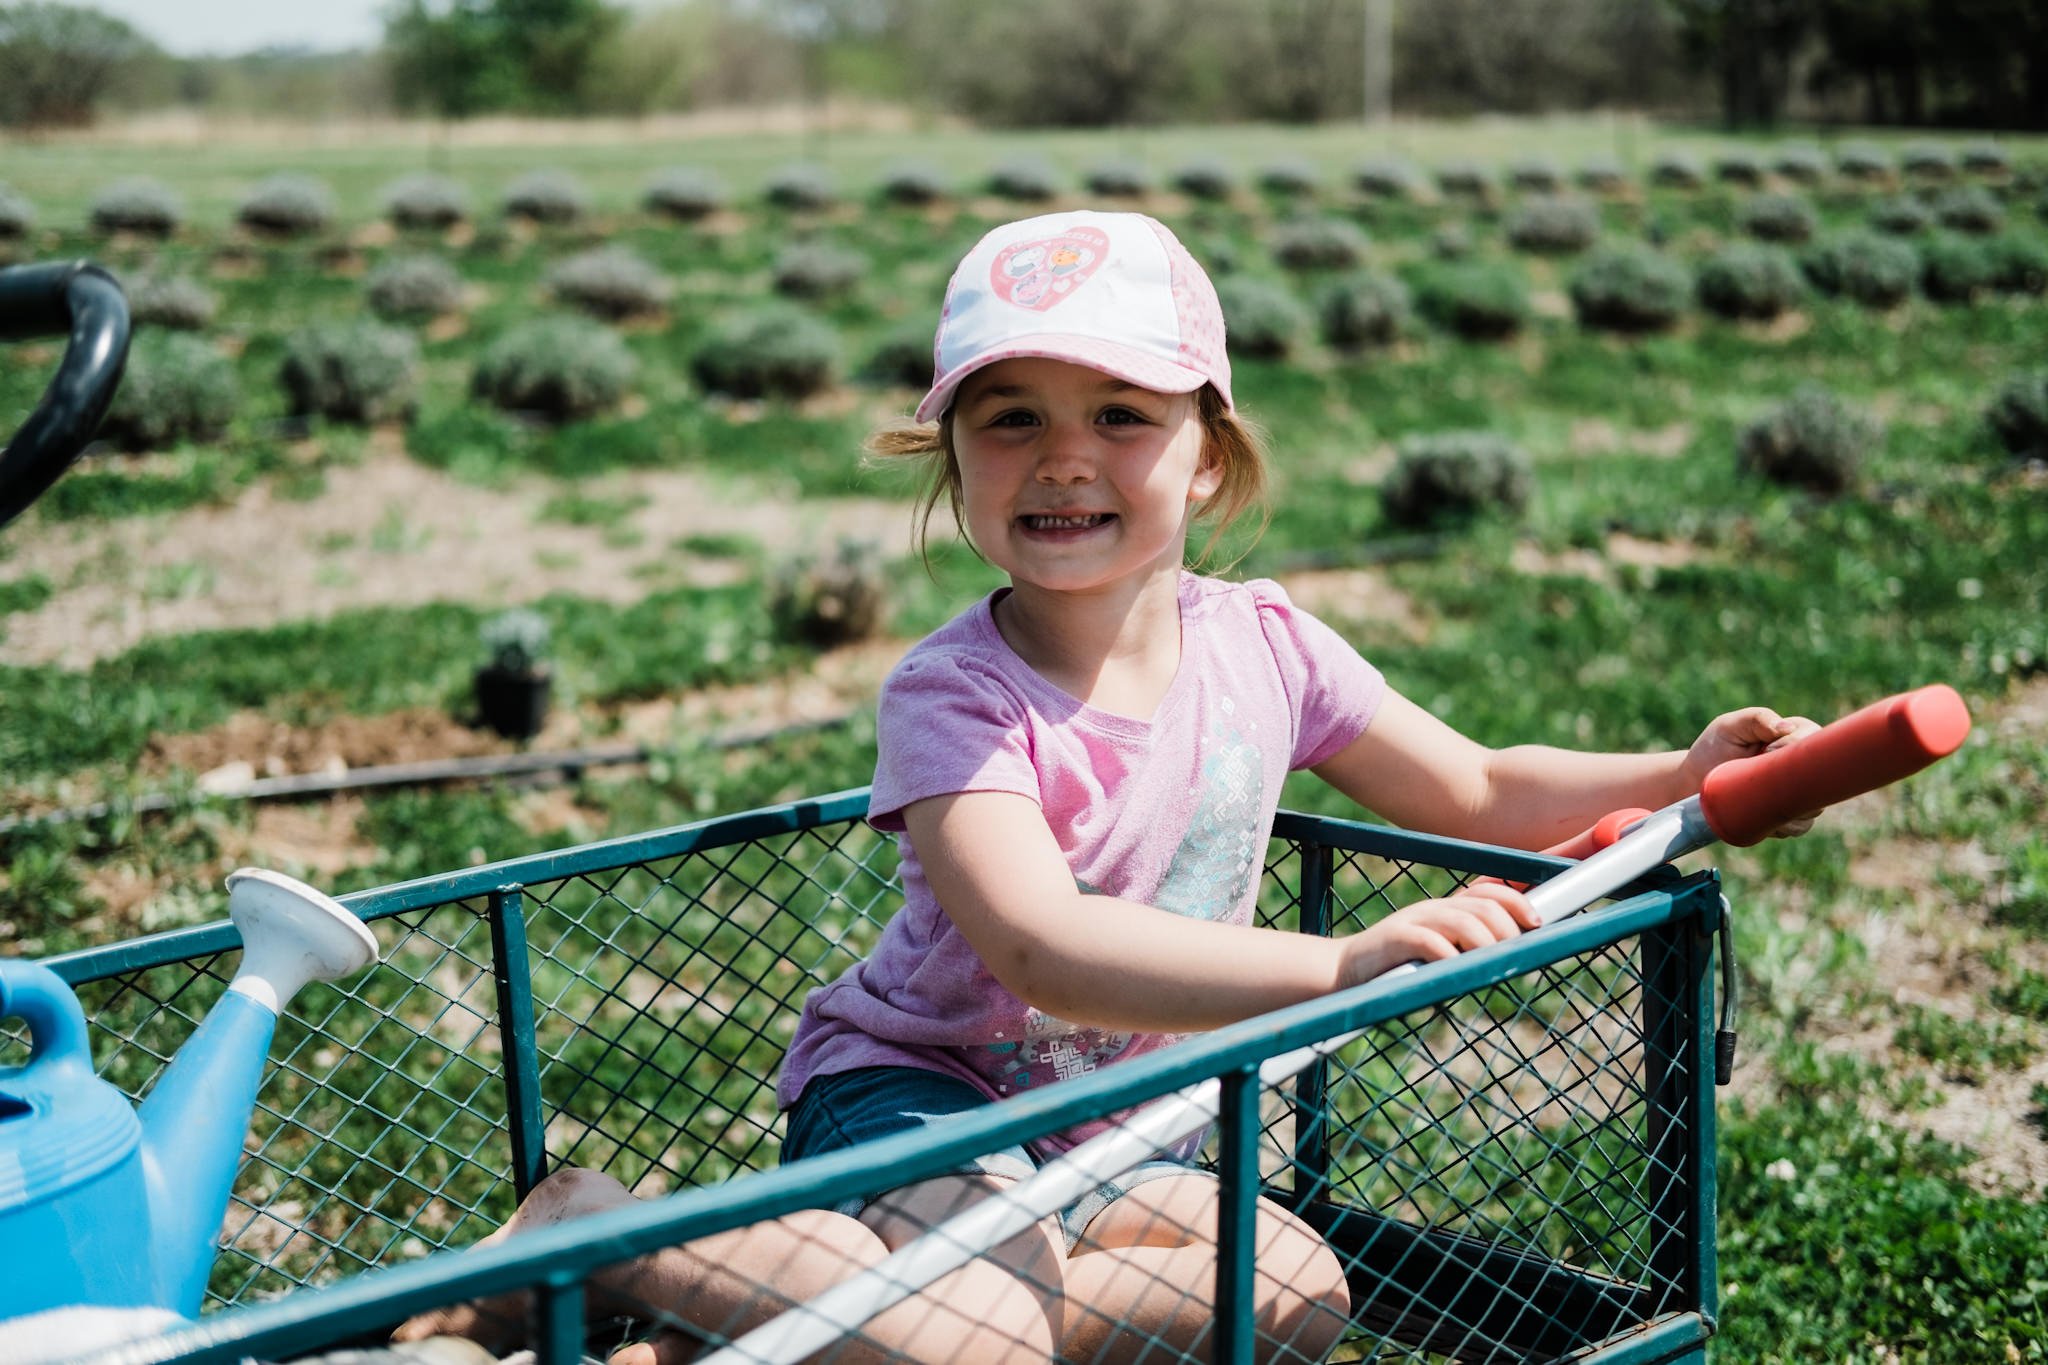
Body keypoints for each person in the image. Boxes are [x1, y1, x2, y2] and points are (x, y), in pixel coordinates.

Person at [398, 209, 1817, 1365]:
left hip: (1119, 1136)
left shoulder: (1266, 644)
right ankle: (597, 1230)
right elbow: (1043, 947)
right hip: (923, 1097)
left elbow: (1484, 782)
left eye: (1122, 414)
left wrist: (1679, 771)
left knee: (1297, 1292)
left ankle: (738, 1331)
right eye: (1009, 416)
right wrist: (1335, 962)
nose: (1065, 454)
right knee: (989, 1340)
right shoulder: (956, 695)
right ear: (951, 459)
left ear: (1209, 455)